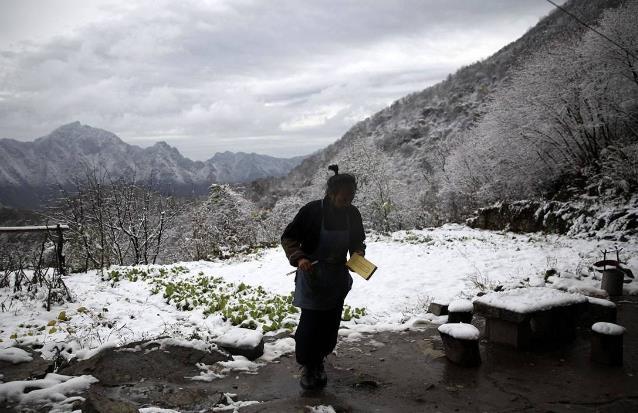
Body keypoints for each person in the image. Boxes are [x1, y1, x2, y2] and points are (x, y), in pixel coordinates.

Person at [281, 164, 366, 390]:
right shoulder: (312, 211)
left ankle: (320, 361)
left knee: (330, 323)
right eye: (343, 198)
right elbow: (289, 237)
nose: (347, 202)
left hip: (337, 277)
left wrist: (358, 255)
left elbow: (358, 241)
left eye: (351, 197)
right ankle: (309, 366)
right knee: (310, 325)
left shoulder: (353, 214)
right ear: (330, 194)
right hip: (312, 275)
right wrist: (299, 258)